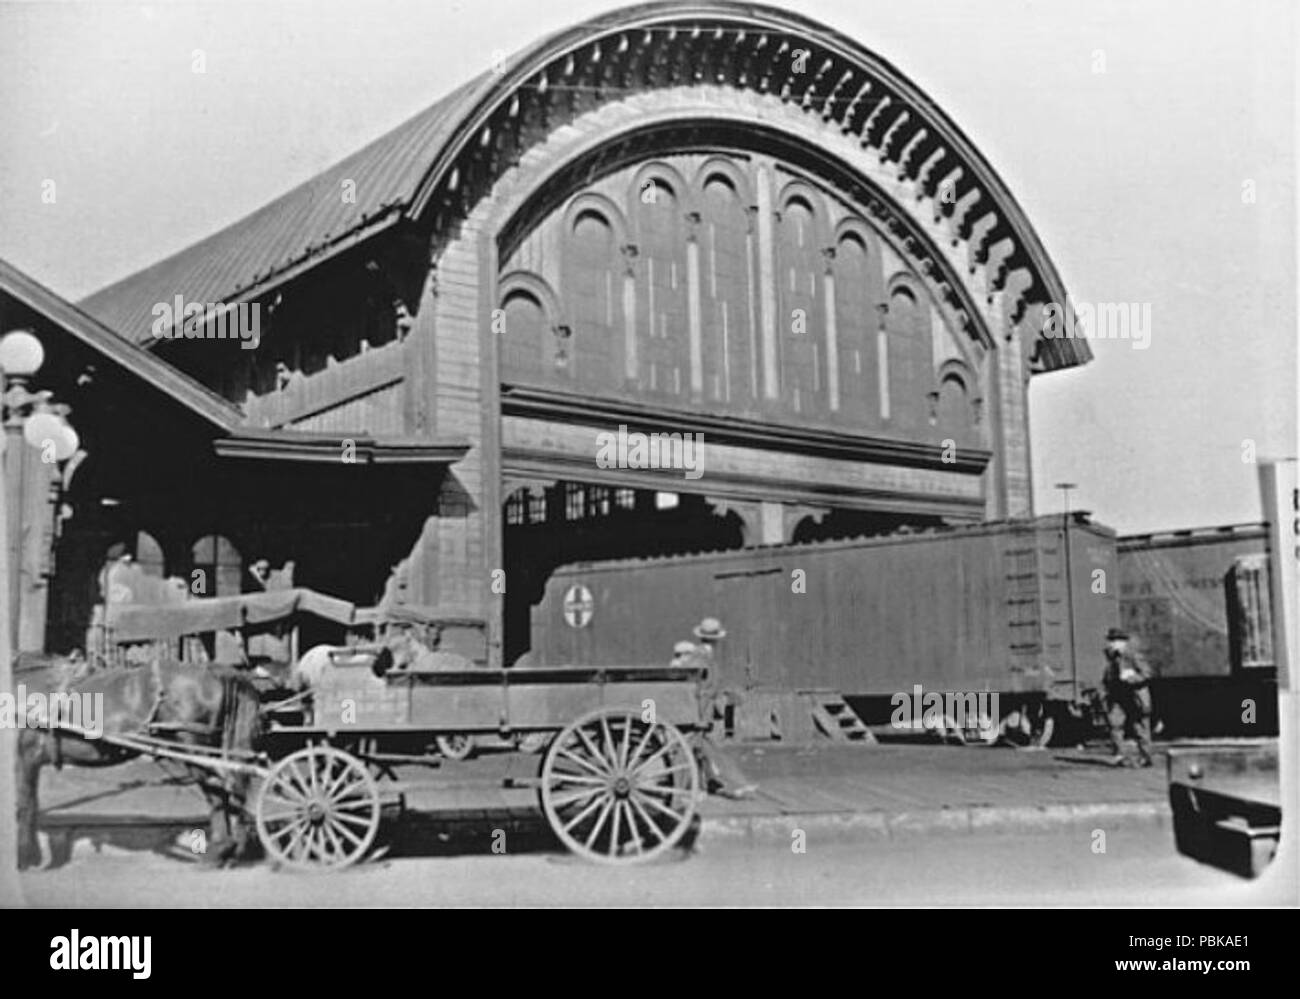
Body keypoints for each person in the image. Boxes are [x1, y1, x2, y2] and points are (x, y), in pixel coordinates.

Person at [674, 618, 757, 800]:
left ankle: (713, 783)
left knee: (701, 749)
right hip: (700, 711)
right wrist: (701, 715)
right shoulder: (700, 657)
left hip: (703, 710)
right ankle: (734, 783)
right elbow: (697, 687)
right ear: (717, 639)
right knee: (700, 748)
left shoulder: (702, 655)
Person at [1101, 626, 1154, 767]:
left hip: (1135, 695)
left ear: (1122, 642)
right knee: (1115, 724)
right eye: (1110, 641)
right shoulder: (1111, 655)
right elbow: (1109, 674)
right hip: (1118, 695)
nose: (1110, 644)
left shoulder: (1133, 655)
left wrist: (1131, 678)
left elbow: (1147, 673)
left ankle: (1146, 756)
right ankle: (1120, 755)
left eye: (1113, 641)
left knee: (1140, 727)